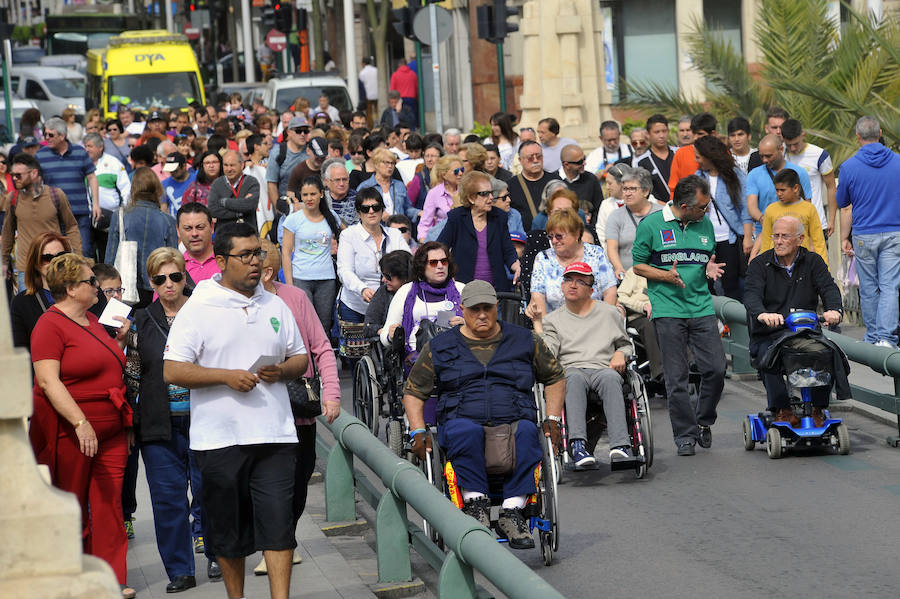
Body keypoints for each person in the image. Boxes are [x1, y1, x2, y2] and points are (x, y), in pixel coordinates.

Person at [163, 223, 309, 599]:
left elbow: (299, 357)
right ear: (222, 261)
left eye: (257, 254)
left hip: (276, 435)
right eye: (245, 256)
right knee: (228, 532)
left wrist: (283, 370)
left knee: (280, 528)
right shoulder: (198, 307)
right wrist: (225, 377)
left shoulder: (275, 303)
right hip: (220, 440)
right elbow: (173, 369)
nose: (255, 262)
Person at [403, 280, 566, 549]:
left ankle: (512, 511)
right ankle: (475, 504)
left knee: (528, 432)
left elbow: (555, 376)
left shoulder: (525, 340)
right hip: (461, 420)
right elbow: (414, 391)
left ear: (496, 308)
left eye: (487, 308)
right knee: (464, 432)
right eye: (475, 308)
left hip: (514, 417)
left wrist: (553, 418)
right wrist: (418, 430)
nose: (481, 314)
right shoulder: (440, 346)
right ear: (462, 309)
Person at [30, 253, 133, 597]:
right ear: (72, 288)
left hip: (112, 430)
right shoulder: (49, 325)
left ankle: (112, 580)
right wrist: (80, 422)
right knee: (74, 507)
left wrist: (119, 342)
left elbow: (105, 363)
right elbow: (47, 380)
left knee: (109, 506)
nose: (97, 288)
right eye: (91, 282)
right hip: (72, 431)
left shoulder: (91, 319)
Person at [130, 247, 219, 592]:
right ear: (151, 282)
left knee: (209, 491)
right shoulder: (140, 320)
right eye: (160, 279)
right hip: (157, 424)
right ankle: (180, 569)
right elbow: (133, 374)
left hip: (205, 418)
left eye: (175, 276)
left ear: (186, 276)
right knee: (167, 500)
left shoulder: (205, 312)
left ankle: (216, 553)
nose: (169, 284)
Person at [256, 238, 340, 575]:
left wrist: (332, 392)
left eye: (260, 270)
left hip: (298, 406)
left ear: (270, 271)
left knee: (299, 480)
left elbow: (321, 347)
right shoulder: (236, 304)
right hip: (259, 410)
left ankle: (284, 540)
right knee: (268, 483)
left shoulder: (295, 298)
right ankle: (275, 547)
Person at [632, 175, 726, 456]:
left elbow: (704, 257)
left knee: (716, 369)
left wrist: (708, 269)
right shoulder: (651, 225)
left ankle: (703, 420)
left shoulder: (705, 224)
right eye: (702, 207)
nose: (706, 212)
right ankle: (684, 434)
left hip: (701, 307)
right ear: (684, 206)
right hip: (668, 310)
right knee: (677, 377)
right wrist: (665, 276)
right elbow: (638, 266)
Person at [744, 215, 844, 426]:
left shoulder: (813, 261)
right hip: (771, 333)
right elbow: (751, 295)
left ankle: (818, 408)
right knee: (768, 355)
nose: (778, 241)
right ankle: (782, 408)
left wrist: (834, 310)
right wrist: (763, 314)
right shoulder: (760, 264)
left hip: (806, 332)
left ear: (800, 239)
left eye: (785, 236)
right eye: (776, 236)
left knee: (829, 353)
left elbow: (828, 288)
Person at [533, 262, 633, 467]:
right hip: (571, 369)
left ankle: (620, 446)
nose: (573, 285)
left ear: (591, 289)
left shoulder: (609, 313)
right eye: (568, 280)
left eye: (580, 281)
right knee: (572, 378)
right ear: (561, 286)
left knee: (611, 378)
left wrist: (621, 353)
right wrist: (537, 324)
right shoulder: (552, 320)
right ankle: (577, 444)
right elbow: (548, 354)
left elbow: (625, 345)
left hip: (603, 367)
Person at [837, 116, 900, 348]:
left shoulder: (849, 167)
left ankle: (873, 336)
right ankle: (887, 338)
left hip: (864, 234)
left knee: (869, 287)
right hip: (895, 232)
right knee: (890, 286)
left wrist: (844, 237)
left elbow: (843, 202)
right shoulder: (898, 162)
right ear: (880, 133)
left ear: (857, 136)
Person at [2, 153, 82, 290]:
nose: (14, 178)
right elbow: (8, 231)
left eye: (18, 175)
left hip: (55, 265)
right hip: (26, 268)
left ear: (33, 173)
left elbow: (71, 226)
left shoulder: (56, 195)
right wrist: (3, 262)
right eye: (12, 174)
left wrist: (78, 258)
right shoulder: (13, 198)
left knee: (56, 308)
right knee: (28, 310)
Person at [106, 167, 179, 308]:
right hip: (157, 286)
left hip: (125, 286)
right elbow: (173, 260)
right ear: (157, 188)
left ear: (134, 188)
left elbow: (110, 256)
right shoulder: (168, 220)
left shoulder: (120, 215)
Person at [336, 188, 412, 325]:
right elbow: (344, 271)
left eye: (376, 207)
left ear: (382, 210)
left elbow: (409, 265)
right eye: (365, 209)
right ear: (359, 213)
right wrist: (362, 289)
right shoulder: (348, 235)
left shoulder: (394, 235)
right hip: (356, 307)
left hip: (392, 306)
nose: (371, 211)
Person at [526, 208, 617, 318]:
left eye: (559, 236)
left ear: (577, 234)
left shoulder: (596, 254)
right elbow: (538, 297)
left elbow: (609, 291)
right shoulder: (543, 258)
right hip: (555, 325)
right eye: (551, 236)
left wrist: (604, 323)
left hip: (593, 321)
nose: (554, 241)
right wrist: (546, 330)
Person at [438, 171, 521, 291]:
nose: (491, 198)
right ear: (471, 198)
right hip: (464, 288)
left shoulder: (500, 217)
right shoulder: (457, 218)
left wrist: (517, 267)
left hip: (496, 290)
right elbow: (441, 248)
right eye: (484, 194)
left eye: (491, 193)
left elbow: (508, 251)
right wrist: (448, 272)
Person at [380, 241, 466, 357]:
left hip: (455, 355)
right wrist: (391, 336)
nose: (440, 266)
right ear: (422, 266)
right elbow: (385, 337)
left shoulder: (462, 290)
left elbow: (480, 331)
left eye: (444, 261)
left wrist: (466, 326)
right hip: (415, 358)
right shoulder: (406, 292)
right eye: (433, 262)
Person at [280, 176, 343, 334]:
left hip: (326, 278)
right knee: (303, 324)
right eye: (305, 195)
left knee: (324, 325)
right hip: (301, 277)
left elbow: (347, 236)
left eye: (313, 194)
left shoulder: (332, 217)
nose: (309, 198)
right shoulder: (293, 220)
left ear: (321, 194)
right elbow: (286, 253)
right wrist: (289, 284)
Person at [693, 134, 752, 299]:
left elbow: (745, 209)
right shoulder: (697, 178)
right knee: (706, 284)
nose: (696, 160)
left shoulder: (735, 175)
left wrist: (747, 236)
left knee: (731, 284)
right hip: (704, 240)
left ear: (709, 156)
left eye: (698, 156)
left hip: (730, 239)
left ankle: (734, 322)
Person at [36, 117, 100, 259]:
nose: (47, 138)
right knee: (55, 256)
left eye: (50, 135)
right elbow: (36, 184)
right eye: (45, 134)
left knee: (83, 252)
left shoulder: (80, 152)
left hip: (78, 213)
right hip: (52, 215)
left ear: (62, 136)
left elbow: (92, 177)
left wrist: (96, 203)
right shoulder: (40, 155)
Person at [10, 232, 80, 351]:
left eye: (61, 256)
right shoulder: (22, 303)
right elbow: (21, 351)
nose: (55, 262)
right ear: (36, 264)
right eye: (47, 258)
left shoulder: (85, 292)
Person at [752, 169, 828, 265]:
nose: (779, 194)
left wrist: (824, 268)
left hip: (802, 262)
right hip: (776, 264)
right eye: (777, 190)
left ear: (795, 188)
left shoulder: (809, 209)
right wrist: (765, 267)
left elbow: (819, 242)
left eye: (783, 190)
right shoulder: (771, 210)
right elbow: (766, 241)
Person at [782, 118, 837, 238]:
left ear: (803, 135)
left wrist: (831, 219)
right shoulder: (779, 155)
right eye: (788, 145)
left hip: (815, 223)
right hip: (786, 225)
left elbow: (831, 187)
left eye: (795, 144)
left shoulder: (819, 155)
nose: (792, 149)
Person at [605, 167, 663, 279]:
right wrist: (618, 267)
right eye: (625, 189)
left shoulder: (661, 213)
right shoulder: (616, 216)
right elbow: (612, 247)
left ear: (646, 191)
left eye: (632, 189)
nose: (627, 193)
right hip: (628, 278)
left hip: (657, 275)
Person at [617, 267, 664, 385]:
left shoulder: (665, 271)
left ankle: (690, 365)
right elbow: (621, 297)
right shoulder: (634, 271)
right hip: (638, 316)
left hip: (663, 313)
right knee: (649, 325)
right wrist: (642, 306)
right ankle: (660, 373)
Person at [507, 140, 560, 231]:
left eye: (539, 156)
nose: (535, 160)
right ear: (520, 160)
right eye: (530, 158)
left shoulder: (555, 181)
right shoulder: (511, 185)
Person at [356, 147, 417, 221]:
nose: (390, 166)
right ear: (376, 164)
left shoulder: (399, 185)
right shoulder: (365, 187)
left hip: (398, 227)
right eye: (386, 163)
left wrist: (419, 212)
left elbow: (407, 209)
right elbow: (358, 212)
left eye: (392, 163)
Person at [364, 250, 414, 338]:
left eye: (388, 276)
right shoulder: (383, 293)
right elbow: (368, 327)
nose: (383, 280)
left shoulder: (420, 292)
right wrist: (386, 332)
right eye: (383, 275)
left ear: (404, 277)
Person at [207, 150, 261, 230]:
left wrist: (224, 202)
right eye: (226, 165)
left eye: (232, 165)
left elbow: (250, 205)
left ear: (242, 165)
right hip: (224, 234)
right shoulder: (217, 184)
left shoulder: (251, 182)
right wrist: (240, 210)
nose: (229, 169)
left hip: (248, 234)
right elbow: (213, 210)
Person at [667, 112, 717, 198]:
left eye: (700, 134)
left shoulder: (723, 153)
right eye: (694, 133)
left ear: (713, 134)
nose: (696, 138)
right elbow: (673, 188)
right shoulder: (681, 154)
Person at [418, 154, 462, 241]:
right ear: (444, 175)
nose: (460, 173)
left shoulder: (467, 190)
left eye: (462, 170)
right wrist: (423, 240)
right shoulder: (434, 193)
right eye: (456, 171)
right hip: (442, 238)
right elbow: (425, 222)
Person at [266, 116, 310, 203]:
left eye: (305, 131)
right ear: (289, 132)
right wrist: (278, 209)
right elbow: (272, 184)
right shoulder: (278, 153)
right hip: (286, 205)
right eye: (298, 131)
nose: (302, 134)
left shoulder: (311, 151)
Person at [637, 114, 678, 204]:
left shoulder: (678, 153)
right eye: (657, 132)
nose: (661, 135)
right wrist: (667, 207)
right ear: (648, 134)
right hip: (659, 210)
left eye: (664, 131)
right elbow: (643, 192)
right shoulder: (641, 162)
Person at [557, 144, 604, 220]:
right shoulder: (554, 180)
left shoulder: (591, 179)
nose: (584, 163)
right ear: (566, 165)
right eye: (579, 162)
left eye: (584, 159)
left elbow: (599, 209)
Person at [177, 202, 219, 286]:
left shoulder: (230, 261)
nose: (194, 233)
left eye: (200, 227)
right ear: (178, 231)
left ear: (212, 227)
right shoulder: (174, 269)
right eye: (188, 228)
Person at [407, 143, 443, 209]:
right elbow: (408, 205)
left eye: (433, 156)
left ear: (441, 158)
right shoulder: (418, 178)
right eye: (427, 156)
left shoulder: (445, 177)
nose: (429, 159)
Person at [160, 153, 196, 217]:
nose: (172, 173)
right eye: (170, 170)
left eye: (175, 170)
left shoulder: (196, 180)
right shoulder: (164, 184)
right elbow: (163, 208)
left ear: (184, 166)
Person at [390, 58, 419, 129]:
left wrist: (392, 100)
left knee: (401, 117)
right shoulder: (413, 74)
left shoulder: (395, 75)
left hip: (400, 99)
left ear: (399, 65)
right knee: (411, 117)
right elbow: (416, 87)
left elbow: (392, 89)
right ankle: (411, 131)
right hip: (411, 98)